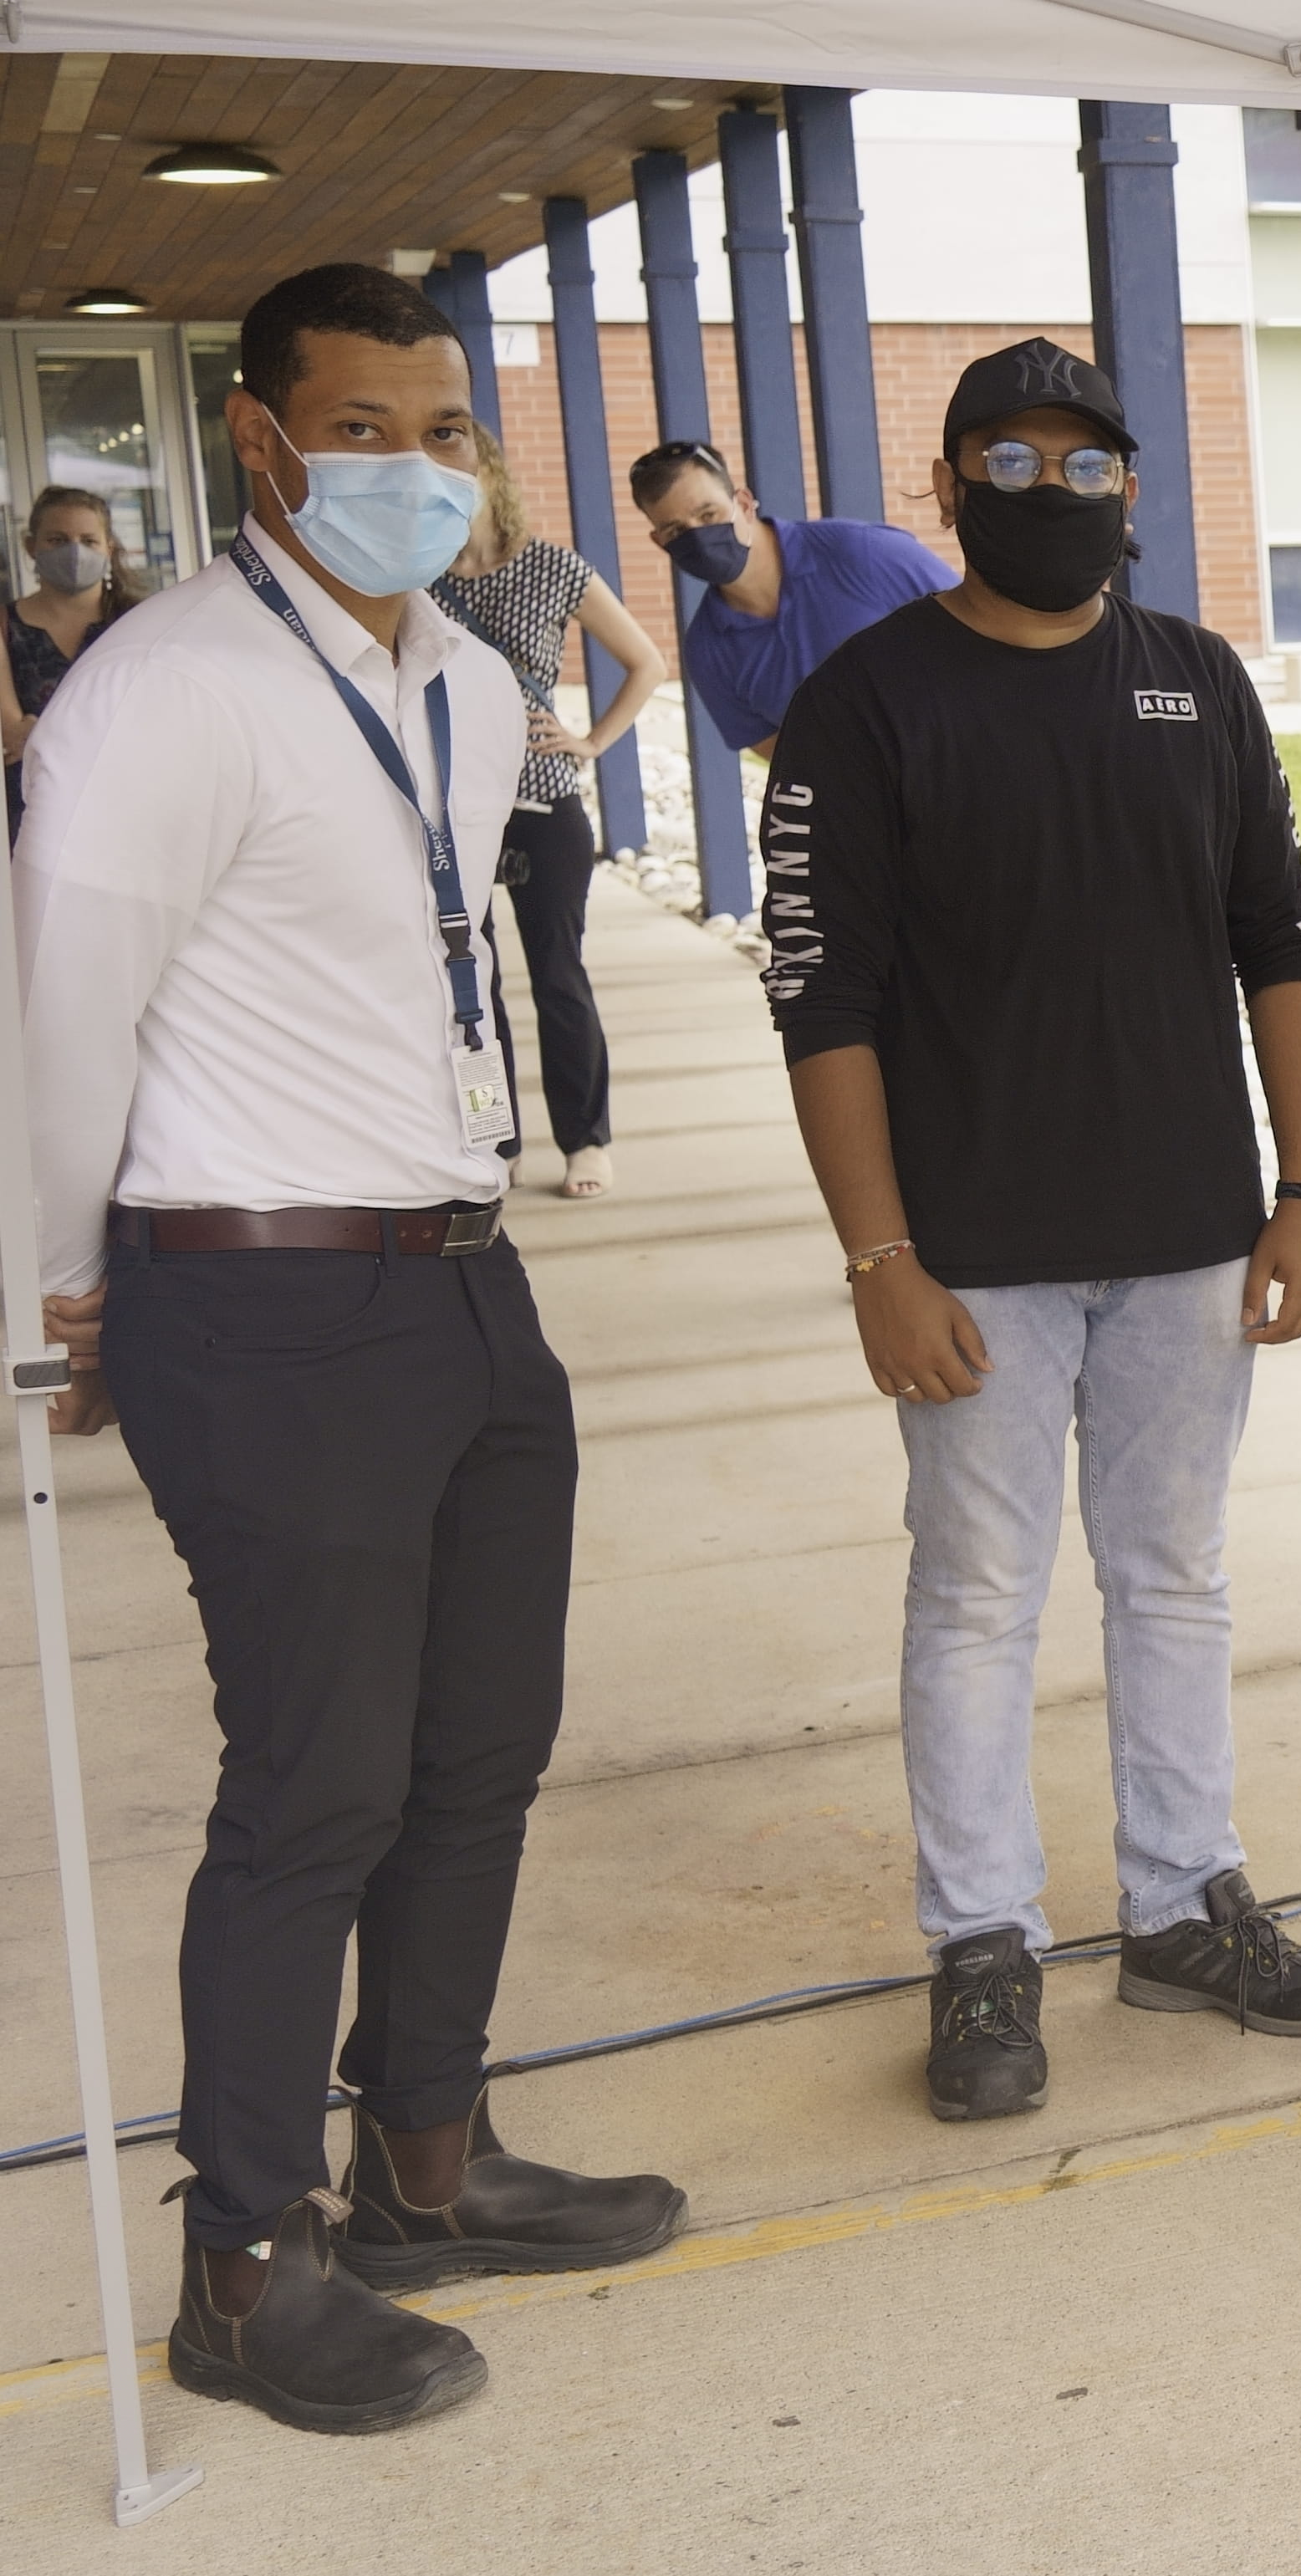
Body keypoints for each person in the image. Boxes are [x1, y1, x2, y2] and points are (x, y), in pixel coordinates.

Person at [17, 262, 685, 2436]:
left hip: (463, 1270)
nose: (414, 466)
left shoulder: (471, 687)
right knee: (316, 1785)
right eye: (363, 428)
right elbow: (66, 1019)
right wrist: (57, 1295)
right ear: (262, 440)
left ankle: (427, 2159)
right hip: (258, 1289)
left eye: (444, 428)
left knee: (480, 1748)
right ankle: (244, 2260)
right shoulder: (165, 691)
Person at [761, 337, 1301, 2124]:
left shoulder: (1196, 679)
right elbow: (820, 998)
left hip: (1186, 1234)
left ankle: (1183, 1904)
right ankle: (982, 1944)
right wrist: (881, 1260)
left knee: (1173, 1575)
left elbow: (1281, 940)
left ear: (1130, 486)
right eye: (1009, 464)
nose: (1051, 492)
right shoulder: (867, 701)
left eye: (1084, 463)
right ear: (949, 486)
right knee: (976, 1595)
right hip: (971, 1257)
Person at [430, 426, 670, 1199]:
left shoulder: (552, 566)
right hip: (450, 806)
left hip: (542, 797)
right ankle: (491, 1138)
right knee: (468, 991)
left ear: (490, 477)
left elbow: (646, 661)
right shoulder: (411, 578)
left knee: (559, 977)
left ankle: (586, 1139)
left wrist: (591, 740)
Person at [633, 434, 955, 760]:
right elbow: (778, 751)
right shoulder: (707, 650)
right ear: (660, 542)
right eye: (677, 531)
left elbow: (972, 623)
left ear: (743, 504)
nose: (699, 537)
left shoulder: (861, 552)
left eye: (708, 515)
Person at [6, 485, 139, 831]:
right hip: (33, 814)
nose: (75, 552)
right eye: (57, 540)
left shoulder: (140, 620)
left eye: (88, 541)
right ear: (31, 547)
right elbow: (12, 735)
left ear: (108, 549)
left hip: (128, 803)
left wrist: (42, 735)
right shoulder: (5, 626)